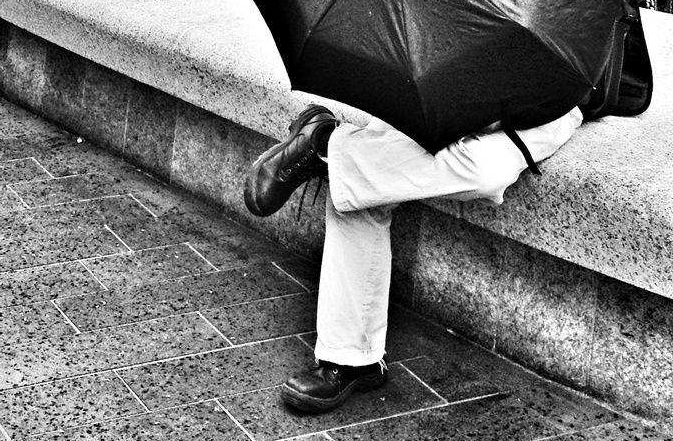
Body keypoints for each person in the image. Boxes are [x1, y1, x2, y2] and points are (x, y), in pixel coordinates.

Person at [244, 102, 582, 413]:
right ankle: (350, 359)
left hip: (548, 100)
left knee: (484, 170)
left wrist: (507, 109)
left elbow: (593, 68)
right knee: (368, 178)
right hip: (453, 82)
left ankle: (326, 146)